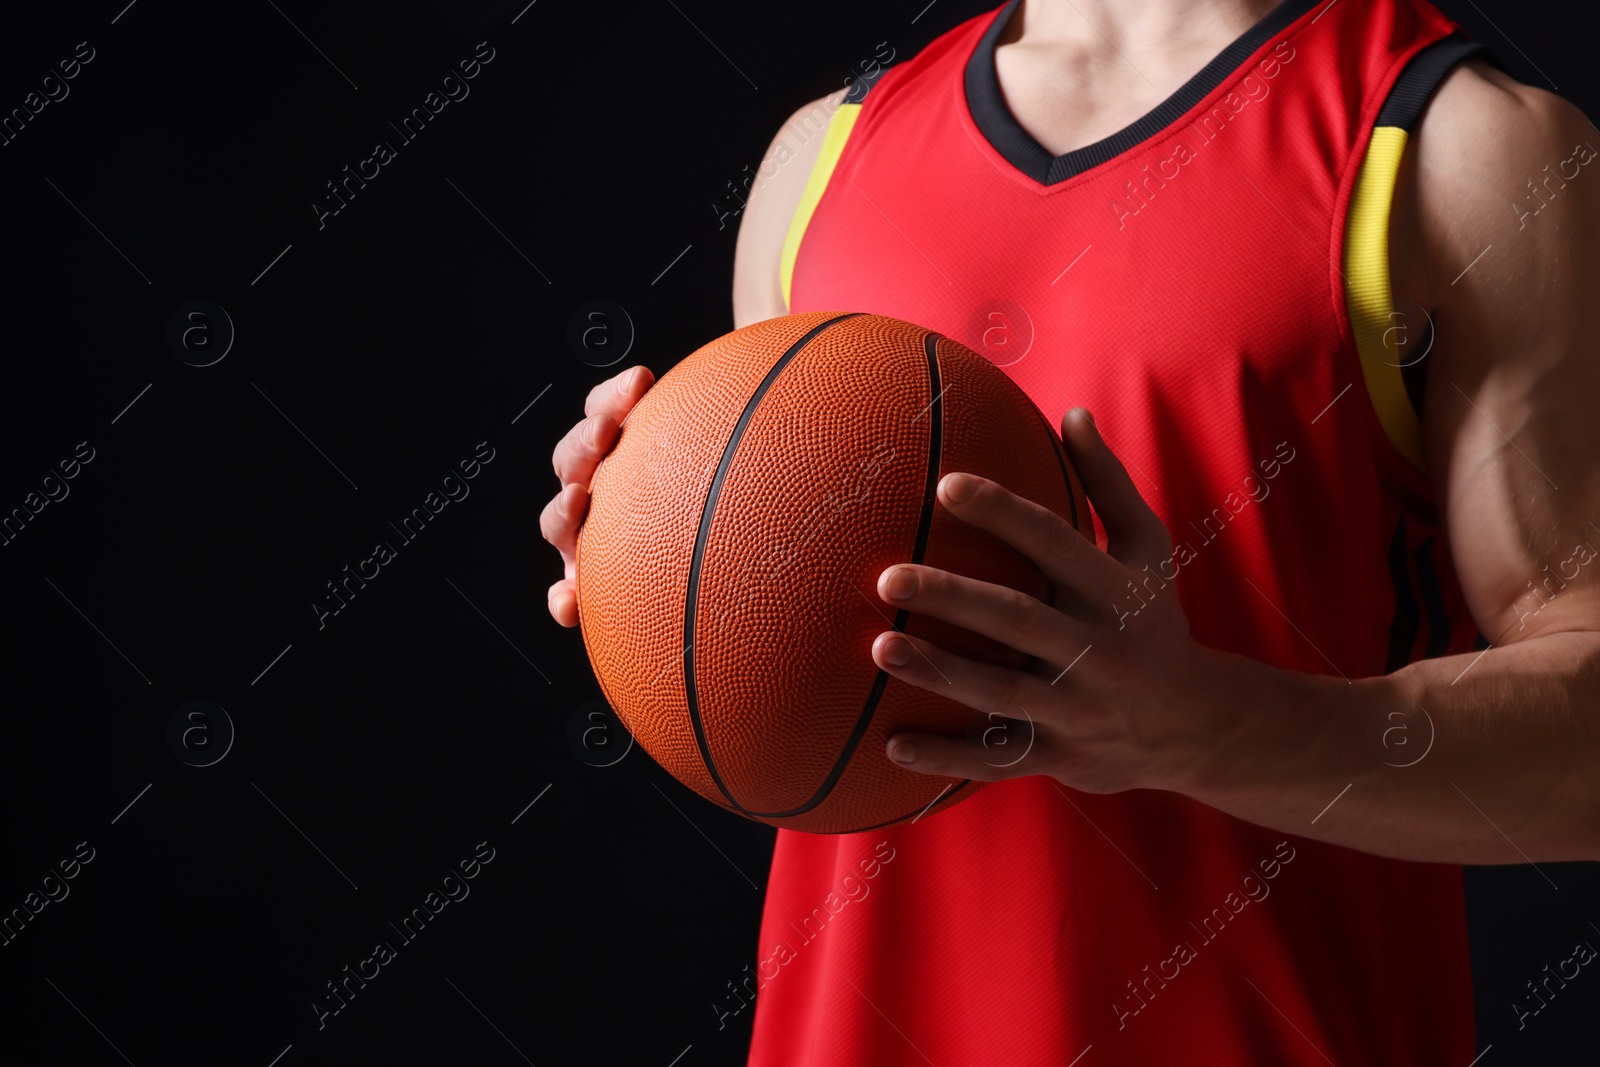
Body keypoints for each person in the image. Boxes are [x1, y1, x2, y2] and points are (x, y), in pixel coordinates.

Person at [542, 0, 1600, 1061]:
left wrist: (1214, 726)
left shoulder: (1460, 148)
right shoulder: (821, 157)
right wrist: (650, 547)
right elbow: (793, 679)